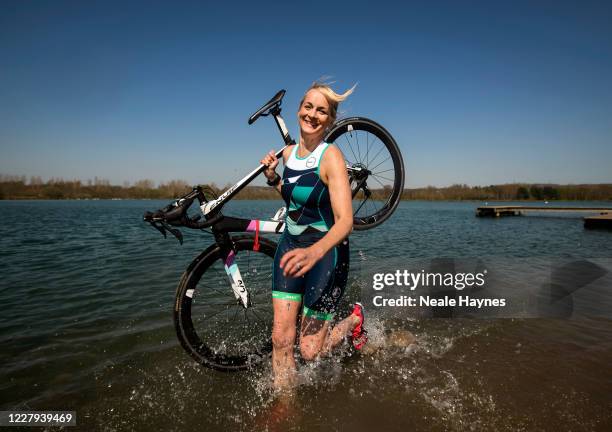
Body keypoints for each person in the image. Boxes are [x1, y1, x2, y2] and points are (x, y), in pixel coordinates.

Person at [260, 82, 367, 390]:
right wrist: (272, 178)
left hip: (326, 253)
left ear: (329, 120)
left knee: (309, 351)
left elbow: (346, 221)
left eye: (321, 110)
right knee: (281, 338)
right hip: (291, 247)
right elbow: (296, 201)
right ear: (298, 111)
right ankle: (286, 407)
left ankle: (353, 321)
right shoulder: (288, 152)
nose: (312, 114)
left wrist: (314, 252)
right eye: (308, 107)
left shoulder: (332, 157)